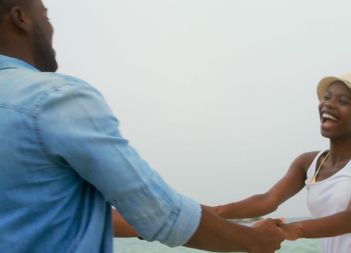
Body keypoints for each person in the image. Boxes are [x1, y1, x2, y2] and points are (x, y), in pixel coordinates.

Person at [0, 0, 285, 252]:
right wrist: (253, 241)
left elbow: (61, 214)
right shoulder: (54, 98)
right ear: (20, 17)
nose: (50, 29)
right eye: (45, 16)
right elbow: (160, 213)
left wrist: (209, 215)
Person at [212, 71, 351, 252]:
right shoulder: (307, 162)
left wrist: (288, 230)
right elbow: (268, 200)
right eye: (326, 98)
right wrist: (213, 213)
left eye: (342, 101)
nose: (328, 104)